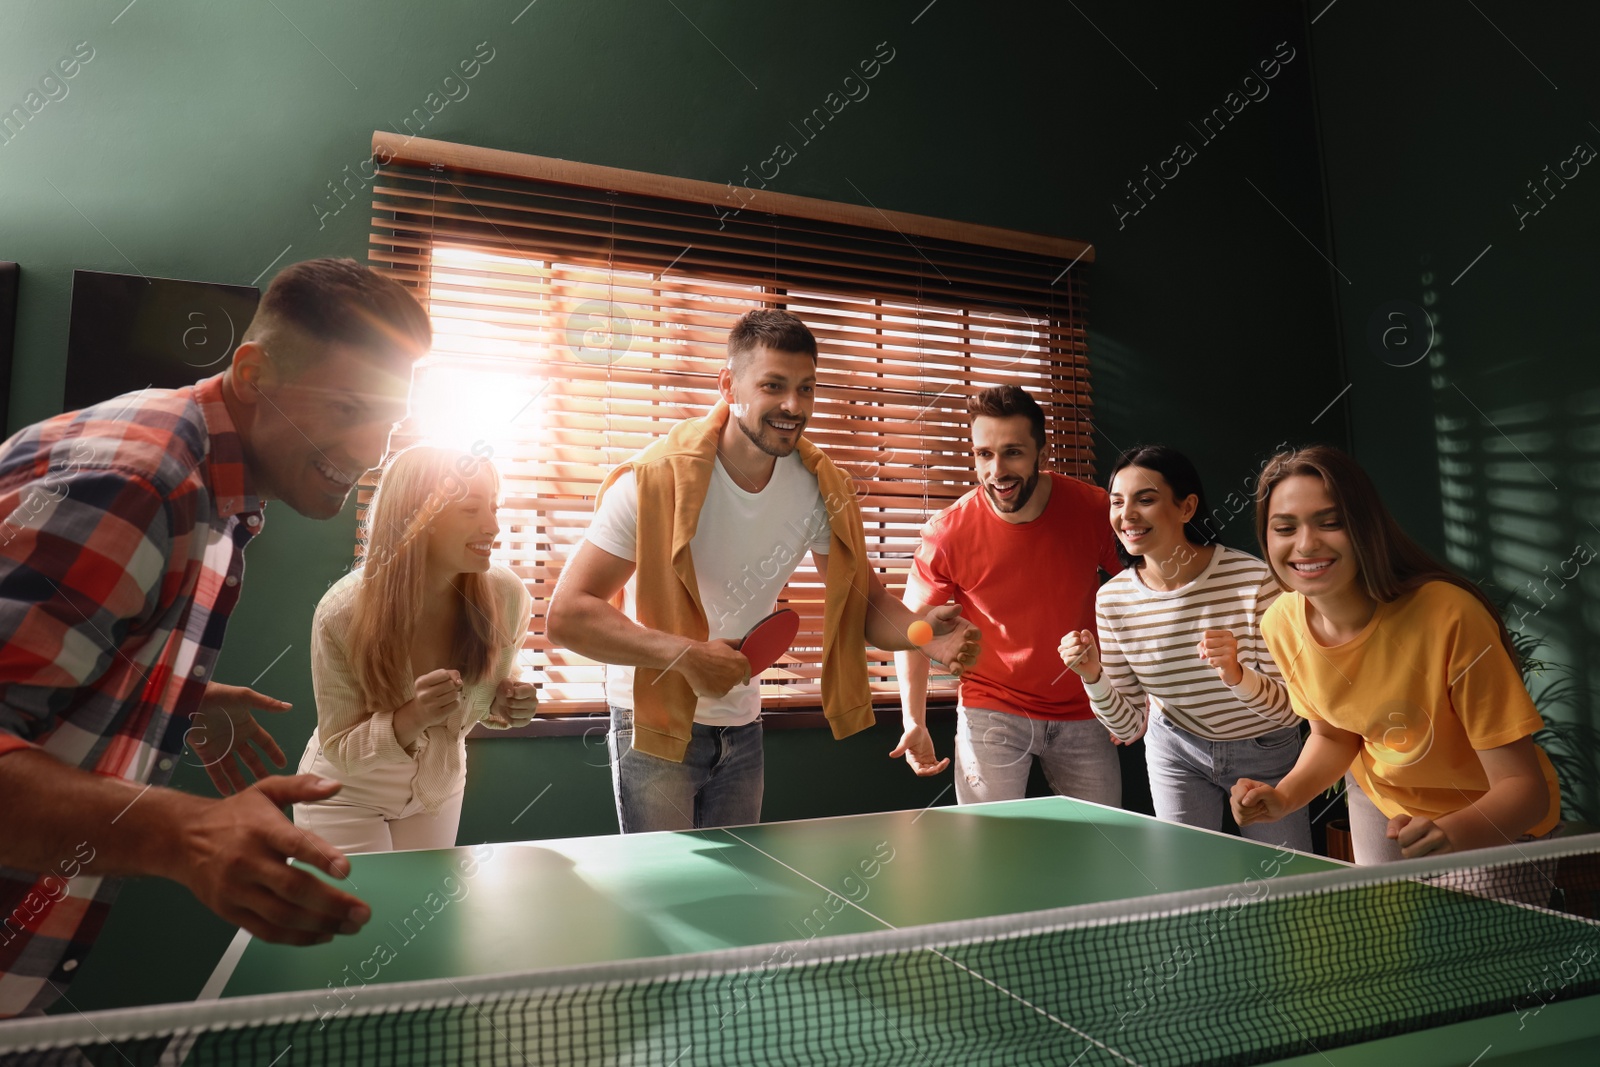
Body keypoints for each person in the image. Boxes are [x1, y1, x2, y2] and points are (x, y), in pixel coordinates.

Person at [0, 258, 429, 1017]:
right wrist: (185, 834)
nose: (369, 449)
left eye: (385, 421)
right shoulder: (143, 483)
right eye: (346, 408)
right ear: (255, 372)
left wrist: (162, 691)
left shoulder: (213, 478)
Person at [547, 309, 980, 833]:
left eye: (806, 388)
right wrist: (683, 656)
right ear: (729, 386)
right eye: (773, 385)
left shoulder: (820, 490)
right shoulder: (652, 482)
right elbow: (568, 615)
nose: (793, 406)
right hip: (654, 726)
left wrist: (922, 631)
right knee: (661, 900)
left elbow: (865, 603)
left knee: (736, 903)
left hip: (743, 727)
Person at [1230, 445, 1561, 867]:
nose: (1306, 544)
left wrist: (1450, 833)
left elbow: (1524, 792)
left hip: (1493, 818)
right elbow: (1333, 735)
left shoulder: (1449, 615)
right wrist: (1284, 796)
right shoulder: (1280, 622)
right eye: (1284, 528)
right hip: (1383, 806)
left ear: (1366, 528)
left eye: (1330, 523)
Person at [1058, 445, 1311, 851]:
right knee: (1187, 880)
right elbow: (1127, 727)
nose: (1127, 515)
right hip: (1175, 749)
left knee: (1287, 881)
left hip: (1265, 749)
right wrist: (1093, 676)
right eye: (1118, 502)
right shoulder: (1112, 600)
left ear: (1186, 507)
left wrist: (1238, 676)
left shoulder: (1254, 580)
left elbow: (1290, 709)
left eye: (1146, 499)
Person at [293, 446, 535, 852]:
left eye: (494, 508)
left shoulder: (507, 596)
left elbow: (490, 690)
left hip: (436, 790)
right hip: (346, 791)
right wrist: (414, 715)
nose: (493, 526)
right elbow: (340, 749)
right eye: (471, 510)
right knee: (360, 915)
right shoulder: (341, 612)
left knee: (421, 913)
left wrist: (506, 700)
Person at [895, 385, 1122, 807]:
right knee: (986, 849)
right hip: (992, 710)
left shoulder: (1094, 510)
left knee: (1106, 850)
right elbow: (912, 628)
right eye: (984, 454)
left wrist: (1125, 692)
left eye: (1013, 452)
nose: (996, 469)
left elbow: (1147, 590)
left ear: (1043, 454)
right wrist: (914, 719)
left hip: (1084, 708)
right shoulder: (948, 531)